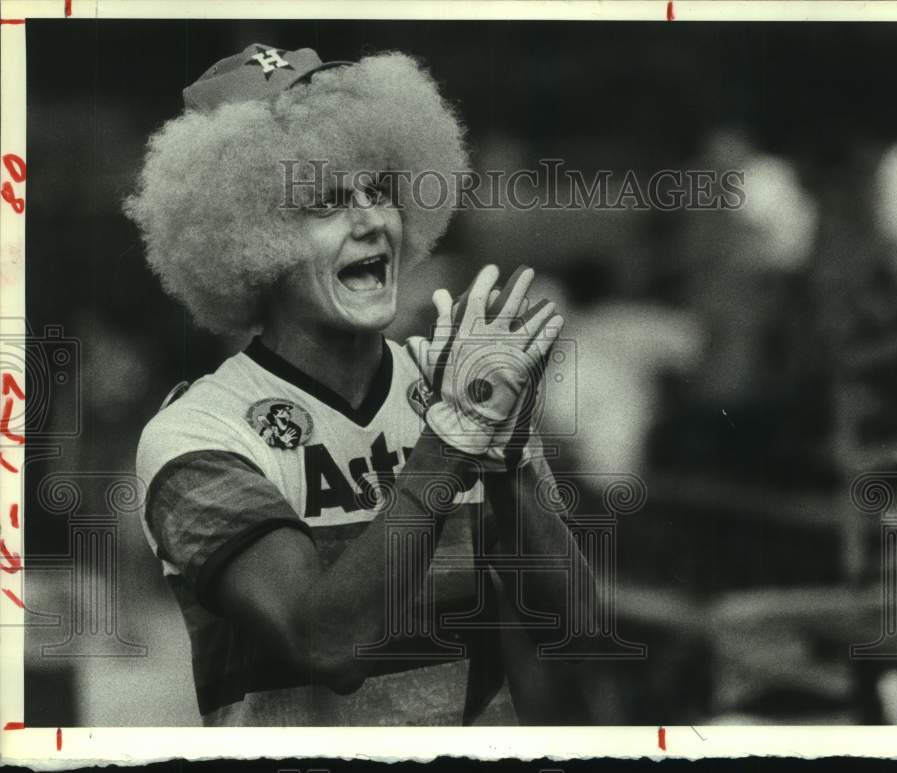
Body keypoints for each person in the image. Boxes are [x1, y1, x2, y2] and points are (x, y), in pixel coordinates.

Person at [125, 44, 590, 726]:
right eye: (327, 202)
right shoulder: (197, 432)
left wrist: (510, 465)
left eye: (379, 191)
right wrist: (448, 446)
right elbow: (327, 644)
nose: (371, 220)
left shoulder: (454, 386)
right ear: (252, 241)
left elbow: (576, 629)